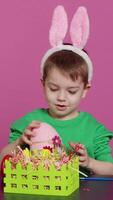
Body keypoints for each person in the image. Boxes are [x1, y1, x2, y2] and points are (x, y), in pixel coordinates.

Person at [0, 6, 113, 176]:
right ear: (43, 84)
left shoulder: (93, 129)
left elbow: (110, 169)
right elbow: (3, 161)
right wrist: (20, 141)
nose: (61, 97)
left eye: (72, 91)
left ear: (85, 90)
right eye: (53, 89)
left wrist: (89, 162)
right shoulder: (30, 124)